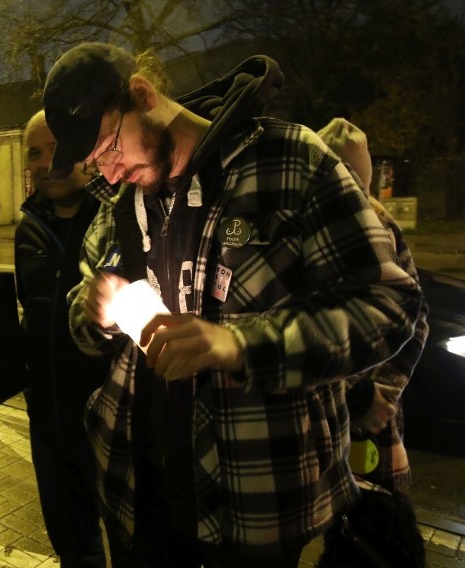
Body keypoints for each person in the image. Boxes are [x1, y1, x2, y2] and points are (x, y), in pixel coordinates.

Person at [42, 43, 422, 567]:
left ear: (142, 94)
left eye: (109, 147)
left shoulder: (291, 162)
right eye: (95, 163)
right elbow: (79, 315)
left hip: (256, 503)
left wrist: (240, 346)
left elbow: (390, 304)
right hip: (137, 494)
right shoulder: (120, 205)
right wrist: (94, 310)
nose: (108, 172)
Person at [15, 110, 110, 567]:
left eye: (57, 146)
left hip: (111, 422)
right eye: (35, 151)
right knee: (72, 544)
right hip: (50, 422)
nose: (46, 161)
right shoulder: (27, 228)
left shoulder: (118, 218)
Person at [316, 117, 429, 494]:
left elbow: (414, 316)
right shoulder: (308, 226)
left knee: (374, 523)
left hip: (368, 422)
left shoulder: (379, 226)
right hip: (329, 414)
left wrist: (380, 395)